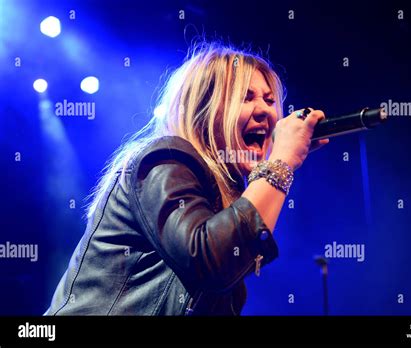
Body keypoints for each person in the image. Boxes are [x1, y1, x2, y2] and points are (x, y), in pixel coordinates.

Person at [45, 42, 329, 316]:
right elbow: (209, 260)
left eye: (269, 100)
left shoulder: (225, 196)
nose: (265, 110)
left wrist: (279, 166)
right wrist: (280, 164)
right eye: (246, 97)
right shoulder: (166, 157)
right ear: (204, 110)